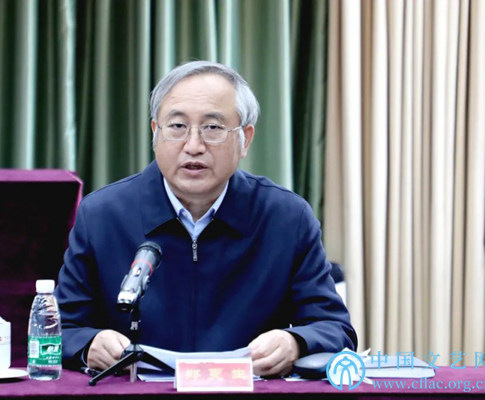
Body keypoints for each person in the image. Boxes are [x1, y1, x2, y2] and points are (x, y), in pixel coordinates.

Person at [54, 60, 357, 378]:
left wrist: (294, 342)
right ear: (156, 132)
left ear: (245, 139)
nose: (194, 146)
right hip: (137, 394)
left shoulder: (287, 218)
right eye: (177, 126)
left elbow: (334, 328)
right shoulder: (102, 215)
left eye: (213, 128)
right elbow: (59, 329)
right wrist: (90, 344)